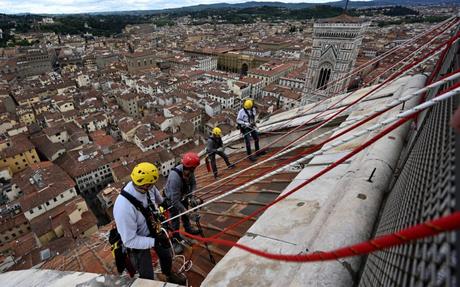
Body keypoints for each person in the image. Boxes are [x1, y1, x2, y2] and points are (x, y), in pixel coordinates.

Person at [113, 162, 184, 284]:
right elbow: (129, 240)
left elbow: (159, 201)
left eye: (152, 185)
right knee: (147, 273)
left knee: (166, 255)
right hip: (137, 240)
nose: (152, 188)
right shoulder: (123, 207)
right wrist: (155, 242)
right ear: (144, 185)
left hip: (154, 229)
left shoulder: (149, 187)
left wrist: (165, 204)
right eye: (150, 186)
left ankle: (168, 275)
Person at [165, 152, 201, 254]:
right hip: (172, 200)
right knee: (175, 219)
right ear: (188, 167)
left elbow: (193, 184)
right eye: (193, 169)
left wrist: (192, 195)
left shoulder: (190, 171)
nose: (194, 171)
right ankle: (175, 239)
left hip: (183, 196)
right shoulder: (174, 178)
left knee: (184, 215)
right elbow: (175, 201)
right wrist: (189, 213)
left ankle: (188, 228)